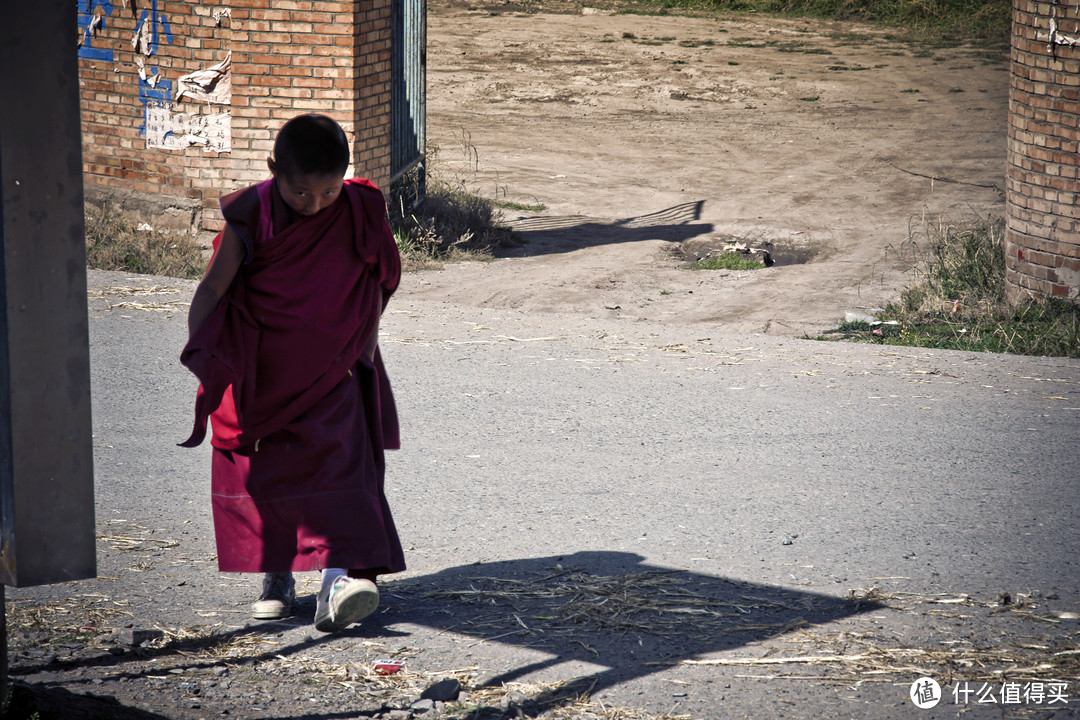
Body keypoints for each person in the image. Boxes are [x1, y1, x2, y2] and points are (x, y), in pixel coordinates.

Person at [180, 113, 405, 632]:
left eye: (328, 192)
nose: (315, 204)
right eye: (301, 192)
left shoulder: (359, 208)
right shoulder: (252, 215)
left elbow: (380, 279)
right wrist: (205, 348)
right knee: (270, 476)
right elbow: (213, 289)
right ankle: (277, 577)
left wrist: (364, 342)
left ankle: (338, 584)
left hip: (335, 367)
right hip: (263, 371)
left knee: (341, 472)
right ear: (272, 170)